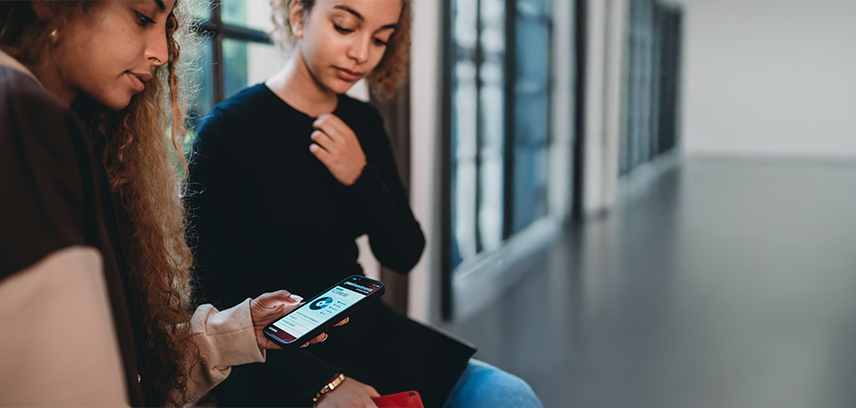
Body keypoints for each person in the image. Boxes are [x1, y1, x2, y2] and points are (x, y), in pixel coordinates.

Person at [187, 0, 544, 407]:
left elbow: (404, 252)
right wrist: (324, 385)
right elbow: (212, 297)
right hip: (275, 351)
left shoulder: (365, 122)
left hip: (364, 328)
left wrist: (360, 175)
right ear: (299, 16)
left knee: (512, 397)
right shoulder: (228, 132)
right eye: (344, 26)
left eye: (380, 39)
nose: (361, 54)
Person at [0, 1, 337, 406]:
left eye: (167, 25)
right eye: (142, 17)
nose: (161, 52)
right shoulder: (21, 117)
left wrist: (240, 331)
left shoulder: (81, 132)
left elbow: (124, 366)